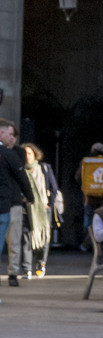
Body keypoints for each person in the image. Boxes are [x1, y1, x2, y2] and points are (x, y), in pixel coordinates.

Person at [20, 145, 61, 280]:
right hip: (26, 210)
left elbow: (54, 188)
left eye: (29, 153)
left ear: (35, 155)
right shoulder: (20, 169)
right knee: (26, 239)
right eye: (25, 153)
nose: (27, 156)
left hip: (43, 210)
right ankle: (26, 269)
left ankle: (40, 264)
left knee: (43, 239)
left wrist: (49, 204)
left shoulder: (44, 168)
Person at [0, 122, 28, 289]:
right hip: (4, 200)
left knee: (14, 239)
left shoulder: (17, 152)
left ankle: (13, 272)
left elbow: (20, 172)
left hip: (14, 201)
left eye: (13, 135)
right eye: (8, 134)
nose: (11, 137)